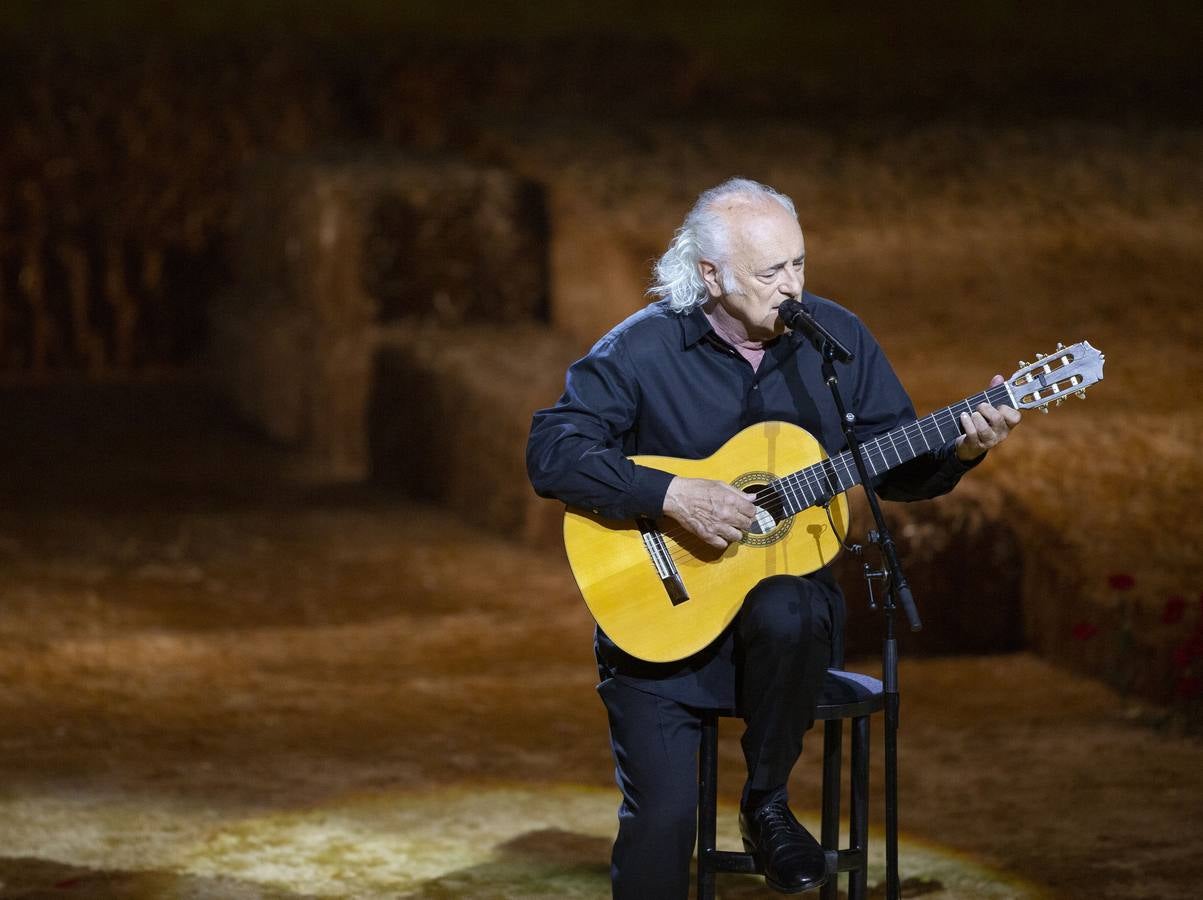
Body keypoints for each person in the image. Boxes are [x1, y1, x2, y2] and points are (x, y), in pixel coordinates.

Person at [526, 178, 1020, 897]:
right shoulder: (641, 349)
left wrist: (965, 449)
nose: (791, 287)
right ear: (709, 275)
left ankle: (766, 801)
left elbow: (896, 469)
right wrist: (670, 494)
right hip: (660, 630)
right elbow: (552, 452)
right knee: (661, 825)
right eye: (770, 272)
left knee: (786, 602)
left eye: (798, 264)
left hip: (785, 643)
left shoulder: (836, 340)